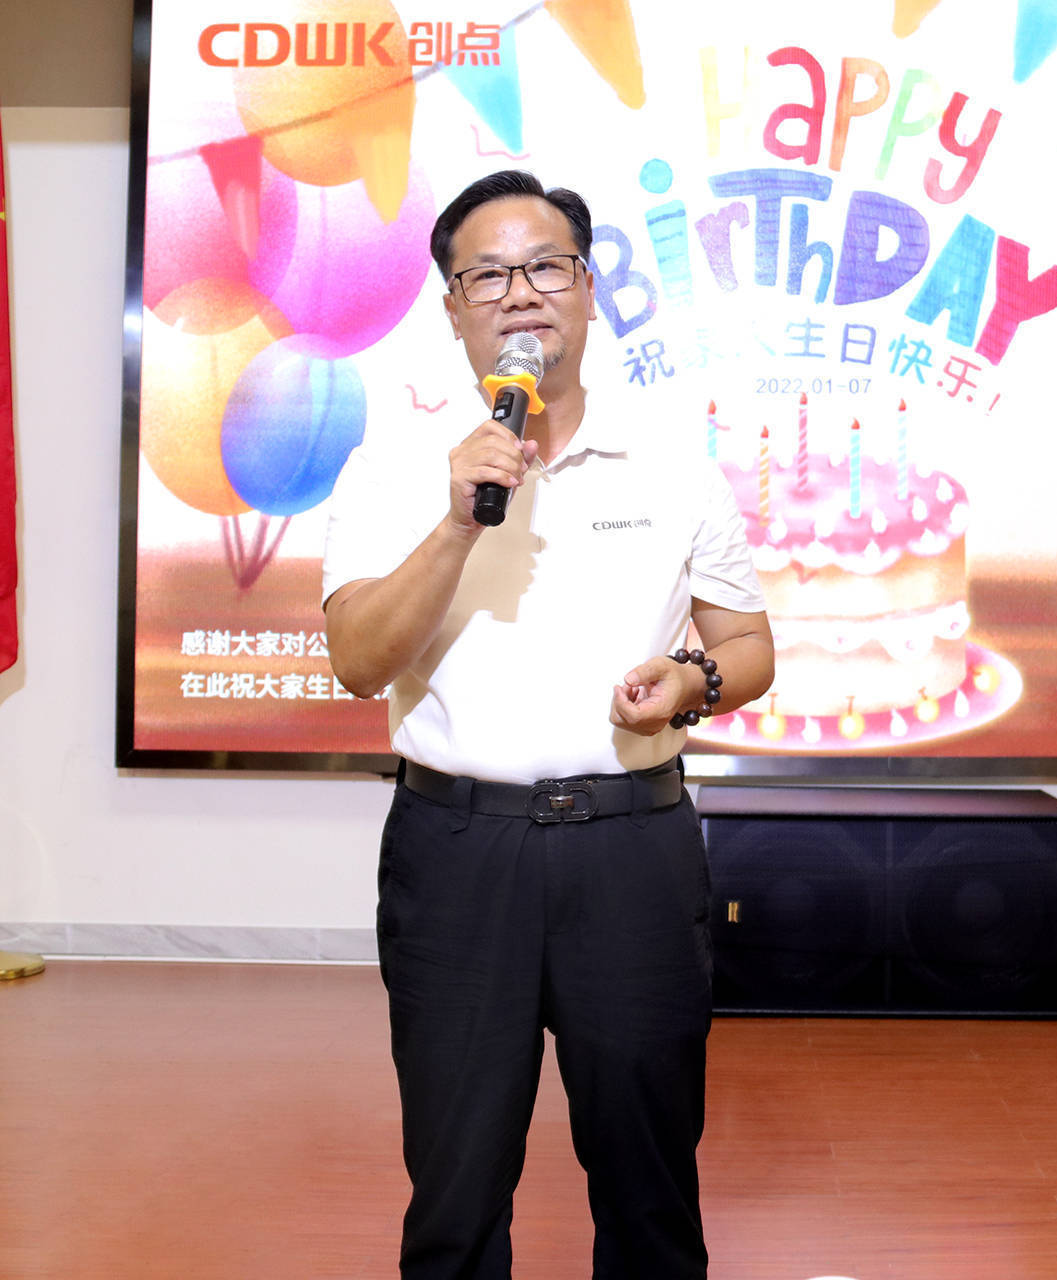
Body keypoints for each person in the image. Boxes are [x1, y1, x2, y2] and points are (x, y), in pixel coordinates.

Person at [321, 169, 775, 1280]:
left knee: (650, 1188)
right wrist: (455, 522)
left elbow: (751, 647)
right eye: (487, 275)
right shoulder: (394, 470)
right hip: (456, 852)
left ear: (588, 287)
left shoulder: (673, 465)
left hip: (633, 848)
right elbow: (358, 660)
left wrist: (691, 681)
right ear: (453, 309)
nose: (520, 293)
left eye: (545, 266)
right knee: (457, 1191)